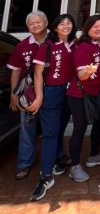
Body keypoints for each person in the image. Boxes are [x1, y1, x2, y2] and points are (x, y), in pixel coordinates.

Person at [29, 13, 76, 201]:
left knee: (60, 129)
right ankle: (45, 176)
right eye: (62, 23)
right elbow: (38, 74)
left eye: (69, 23)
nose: (66, 26)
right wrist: (40, 95)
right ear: (55, 27)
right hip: (52, 93)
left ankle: (57, 161)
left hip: (70, 93)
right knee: (50, 134)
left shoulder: (75, 46)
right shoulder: (47, 47)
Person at [66, 14, 100, 182]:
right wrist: (88, 71)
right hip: (79, 94)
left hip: (97, 92)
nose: (99, 29)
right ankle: (74, 167)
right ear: (87, 29)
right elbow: (81, 75)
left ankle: (94, 155)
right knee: (79, 128)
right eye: (95, 26)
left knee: (98, 124)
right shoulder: (83, 47)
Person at [8, 10, 49, 180]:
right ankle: (24, 162)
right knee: (27, 127)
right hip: (29, 93)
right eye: (31, 23)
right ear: (27, 27)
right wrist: (13, 94)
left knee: (52, 127)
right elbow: (16, 71)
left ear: (46, 23)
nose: (35, 25)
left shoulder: (56, 41)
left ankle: (53, 159)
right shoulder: (22, 45)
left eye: (38, 22)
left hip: (53, 91)